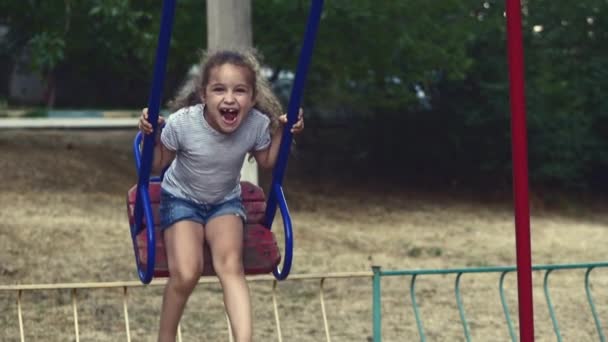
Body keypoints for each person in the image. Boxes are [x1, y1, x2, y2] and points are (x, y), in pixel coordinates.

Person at [138, 49, 304, 342]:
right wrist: (151, 135)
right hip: (181, 200)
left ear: (252, 98)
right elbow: (154, 165)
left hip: (224, 202)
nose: (229, 98)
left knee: (231, 267)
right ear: (203, 95)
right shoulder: (183, 123)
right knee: (187, 272)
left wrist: (283, 131)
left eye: (240, 90)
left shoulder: (254, 124)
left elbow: (267, 161)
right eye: (219, 90)